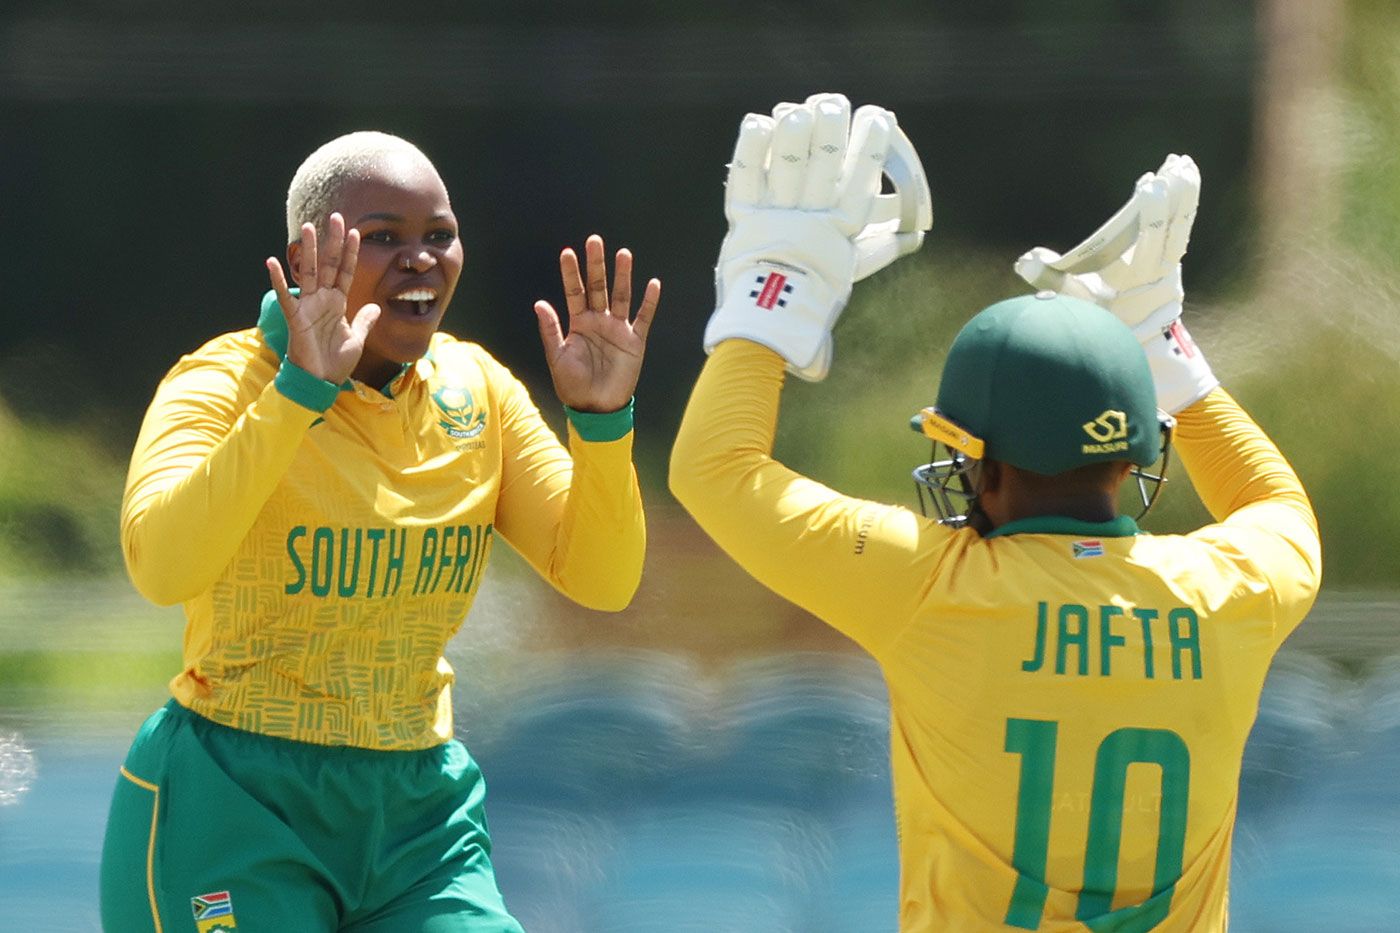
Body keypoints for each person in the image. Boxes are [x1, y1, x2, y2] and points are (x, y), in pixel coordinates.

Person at [670, 96, 1320, 931]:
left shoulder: (929, 585)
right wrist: (1164, 343)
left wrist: (771, 299)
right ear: (1133, 457)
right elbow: (1283, 509)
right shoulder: (1228, 591)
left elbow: (714, 470)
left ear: (980, 462)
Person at [100, 130, 660, 932]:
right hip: (233, 801)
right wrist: (298, 393)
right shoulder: (221, 383)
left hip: (418, 818)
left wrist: (601, 424)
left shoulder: (479, 392)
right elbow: (160, 566)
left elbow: (604, 581)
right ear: (304, 259)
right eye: (384, 238)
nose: (421, 259)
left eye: (439, 235)